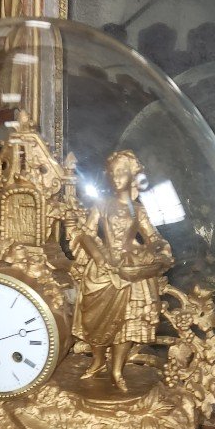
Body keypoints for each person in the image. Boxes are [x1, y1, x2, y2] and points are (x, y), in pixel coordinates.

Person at [73, 150, 173, 390]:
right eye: (113, 172)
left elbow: (154, 237)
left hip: (130, 272)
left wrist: (155, 249)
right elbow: (85, 234)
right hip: (101, 272)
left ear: (133, 176)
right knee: (94, 320)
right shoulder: (101, 204)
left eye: (122, 172)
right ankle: (97, 360)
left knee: (127, 324)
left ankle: (117, 370)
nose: (116, 177)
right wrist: (98, 257)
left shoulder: (138, 210)